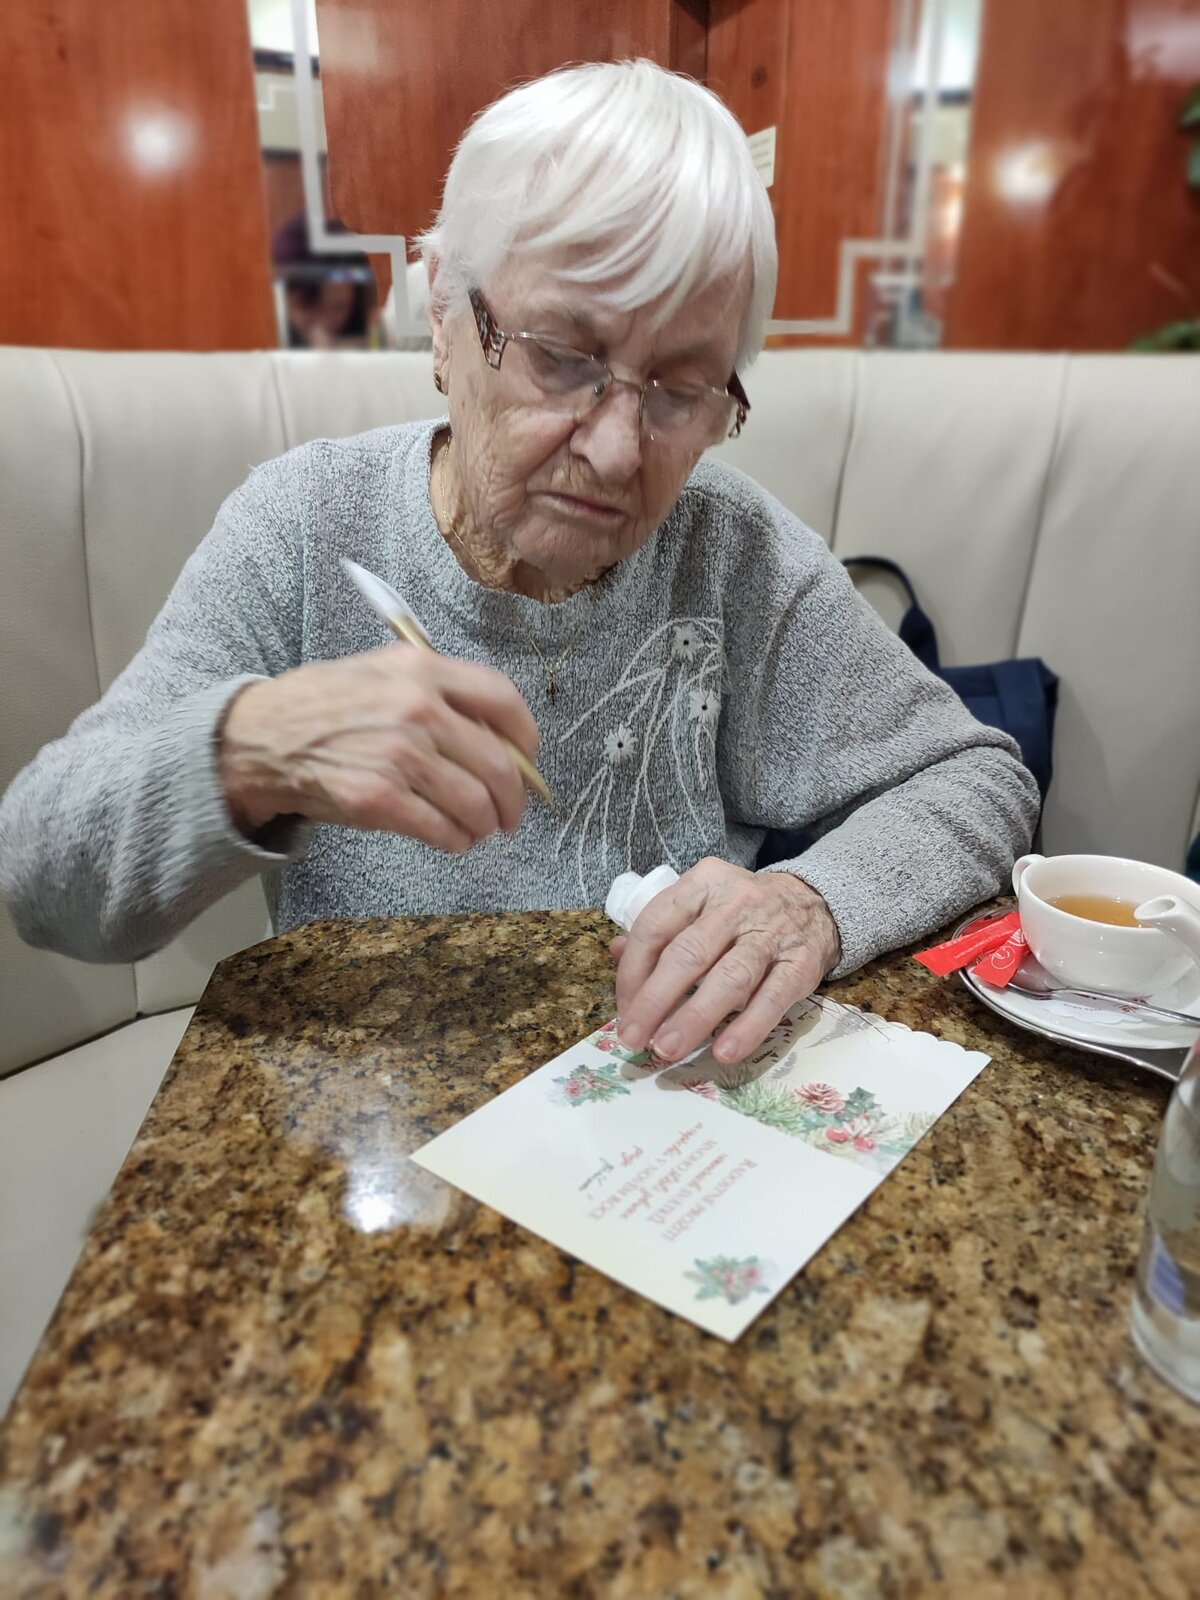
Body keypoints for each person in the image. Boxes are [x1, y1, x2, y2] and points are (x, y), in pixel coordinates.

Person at [0, 60, 1038, 1068]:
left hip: (664, 1103)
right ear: (442, 316)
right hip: (369, 1117)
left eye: (681, 390)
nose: (618, 451)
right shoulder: (307, 527)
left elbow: (977, 777)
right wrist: (249, 751)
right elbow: (42, 877)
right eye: (562, 355)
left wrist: (808, 903)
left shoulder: (732, 552)